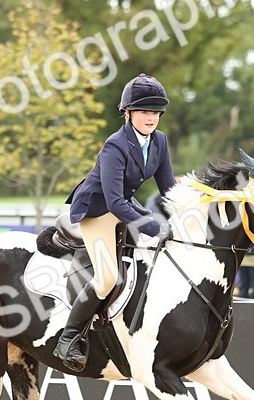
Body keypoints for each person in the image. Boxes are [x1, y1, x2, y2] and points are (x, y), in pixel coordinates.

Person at [54, 73, 175, 371]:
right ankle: (69, 338)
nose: (151, 118)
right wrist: (151, 226)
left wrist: (186, 215)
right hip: (97, 209)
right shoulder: (115, 145)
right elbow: (114, 202)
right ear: (128, 112)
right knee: (108, 278)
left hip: (125, 204)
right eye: (145, 111)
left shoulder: (159, 141)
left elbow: (169, 191)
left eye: (156, 112)